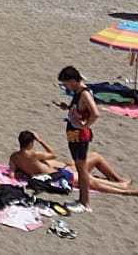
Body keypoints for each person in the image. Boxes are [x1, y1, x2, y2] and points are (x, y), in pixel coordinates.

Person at [9, 131, 138, 196]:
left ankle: (118, 180)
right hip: (60, 175)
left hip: (63, 168)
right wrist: (41, 141)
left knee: (95, 157)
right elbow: (53, 154)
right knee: (91, 181)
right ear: (31, 143)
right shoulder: (34, 154)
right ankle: (125, 190)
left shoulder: (14, 157)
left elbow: (12, 175)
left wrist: (26, 172)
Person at [57, 66, 100, 207]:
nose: (66, 87)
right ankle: (82, 200)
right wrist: (67, 108)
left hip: (80, 135)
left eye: (66, 84)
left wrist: (85, 125)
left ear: (73, 81)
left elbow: (96, 113)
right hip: (74, 134)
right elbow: (79, 109)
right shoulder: (77, 92)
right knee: (79, 167)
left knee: (82, 169)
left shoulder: (84, 93)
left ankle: (85, 202)